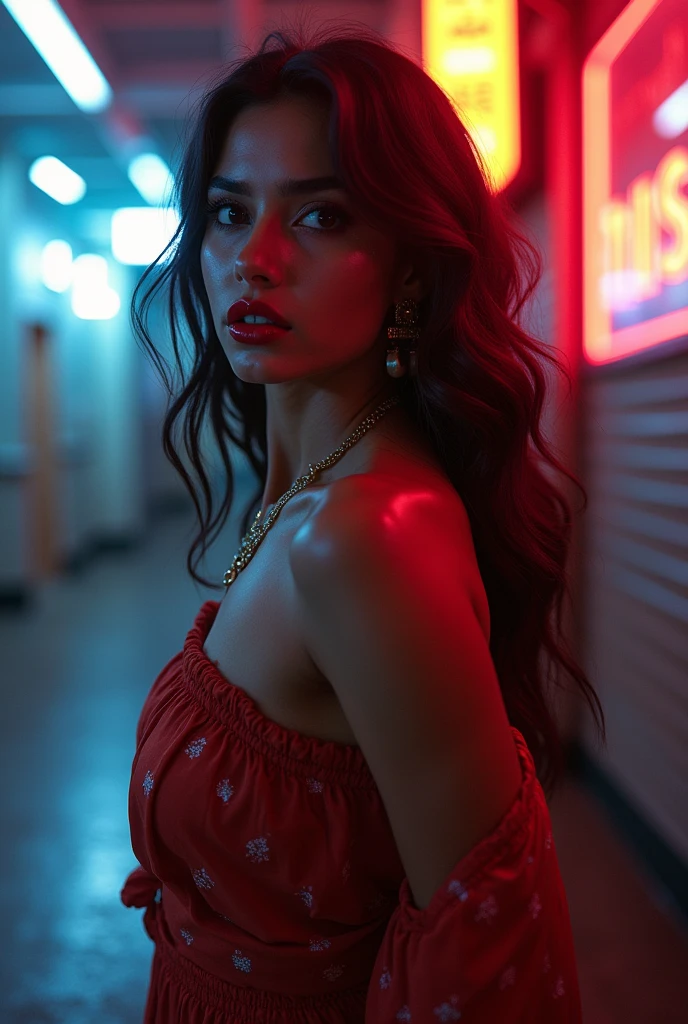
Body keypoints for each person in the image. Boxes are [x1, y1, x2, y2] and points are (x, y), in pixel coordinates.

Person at [121, 21, 605, 1024]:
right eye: (226, 211)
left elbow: (479, 948)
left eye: (318, 216)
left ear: (412, 274)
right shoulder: (302, 499)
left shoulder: (363, 538)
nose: (250, 259)